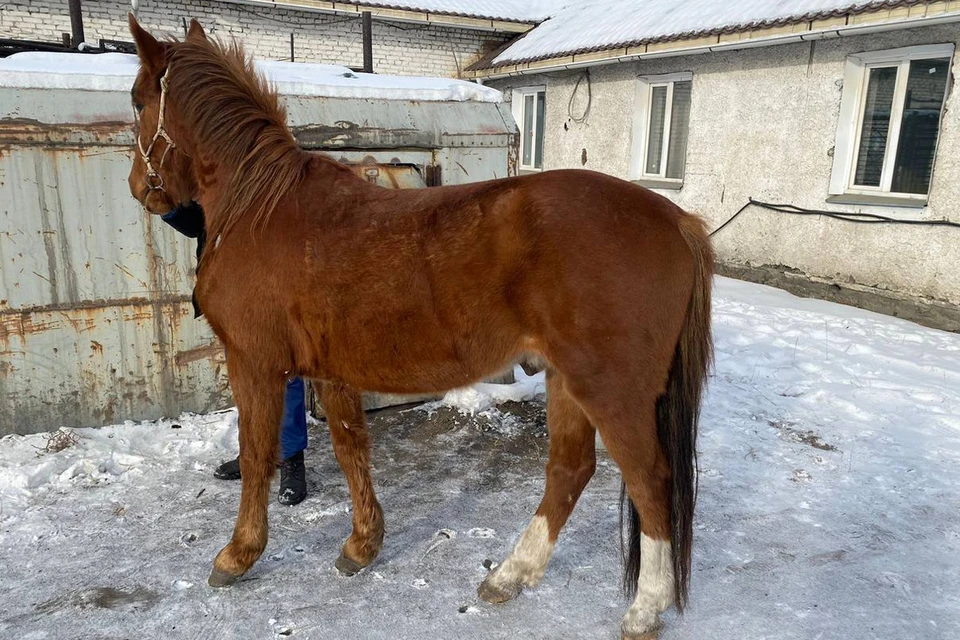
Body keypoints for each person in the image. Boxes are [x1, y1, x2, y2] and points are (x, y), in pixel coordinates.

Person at [161, 201, 308, 506]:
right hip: (230, 299)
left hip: (272, 296)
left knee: (284, 378)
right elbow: (194, 224)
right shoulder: (212, 183)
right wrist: (164, 204)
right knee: (246, 384)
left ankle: (291, 459)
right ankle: (254, 454)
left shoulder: (267, 178)